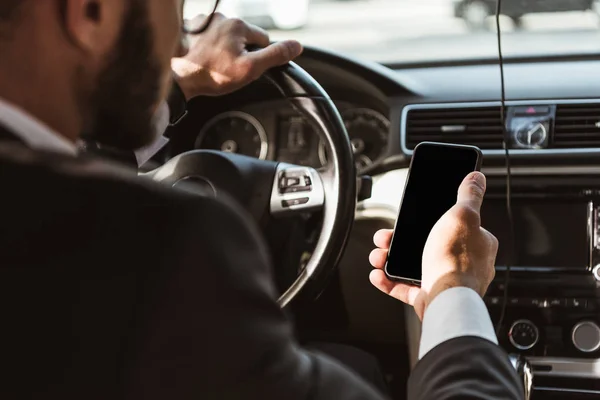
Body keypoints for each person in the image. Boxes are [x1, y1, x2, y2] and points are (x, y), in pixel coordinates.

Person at [0, 1, 521, 399]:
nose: (182, 36)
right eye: (179, 12)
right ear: (89, 13)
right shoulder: (161, 250)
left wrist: (170, 87)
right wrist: (455, 289)